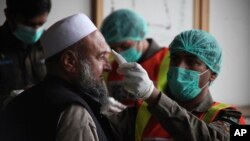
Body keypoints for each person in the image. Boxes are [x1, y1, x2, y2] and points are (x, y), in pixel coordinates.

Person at [0, 13, 126, 141]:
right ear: (69, 61)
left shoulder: (19, 100)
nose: (108, 67)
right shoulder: (74, 112)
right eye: (101, 57)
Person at [110, 29, 246, 141]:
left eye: (192, 61)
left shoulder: (233, 118)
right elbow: (98, 129)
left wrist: (152, 95)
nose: (179, 67)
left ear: (212, 74)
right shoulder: (141, 111)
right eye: (175, 59)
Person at [100, 9, 170, 140]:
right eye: (114, 47)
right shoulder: (109, 65)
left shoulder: (168, 60)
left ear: (140, 36)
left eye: (125, 45)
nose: (119, 52)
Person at [0, 0, 51, 109]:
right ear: (8, 15)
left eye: (41, 24)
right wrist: (8, 100)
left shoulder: (50, 41)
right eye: (29, 24)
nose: (35, 30)